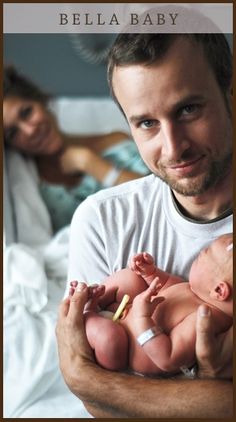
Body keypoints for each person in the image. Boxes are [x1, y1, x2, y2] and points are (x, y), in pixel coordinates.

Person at [56, 33, 233, 418]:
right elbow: (97, 405)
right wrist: (214, 397)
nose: (173, 148)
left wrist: (91, 379)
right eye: (148, 123)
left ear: (230, 94)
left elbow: (93, 382)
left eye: (188, 109)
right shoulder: (103, 219)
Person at [3, 66, 149, 233]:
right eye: (13, 132)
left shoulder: (115, 143)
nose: (29, 130)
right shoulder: (31, 185)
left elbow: (158, 197)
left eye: (26, 112)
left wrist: (92, 164)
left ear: (41, 101)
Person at [68, 234, 232, 376]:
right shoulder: (197, 291)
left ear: (219, 290)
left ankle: (89, 309)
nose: (196, 258)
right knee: (130, 278)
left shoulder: (205, 321)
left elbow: (167, 358)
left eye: (200, 258)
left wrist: (142, 319)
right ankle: (95, 296)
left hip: (124, 351)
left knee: (110, 337)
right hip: (125, 313)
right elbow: (167, 284)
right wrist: (150, 273)